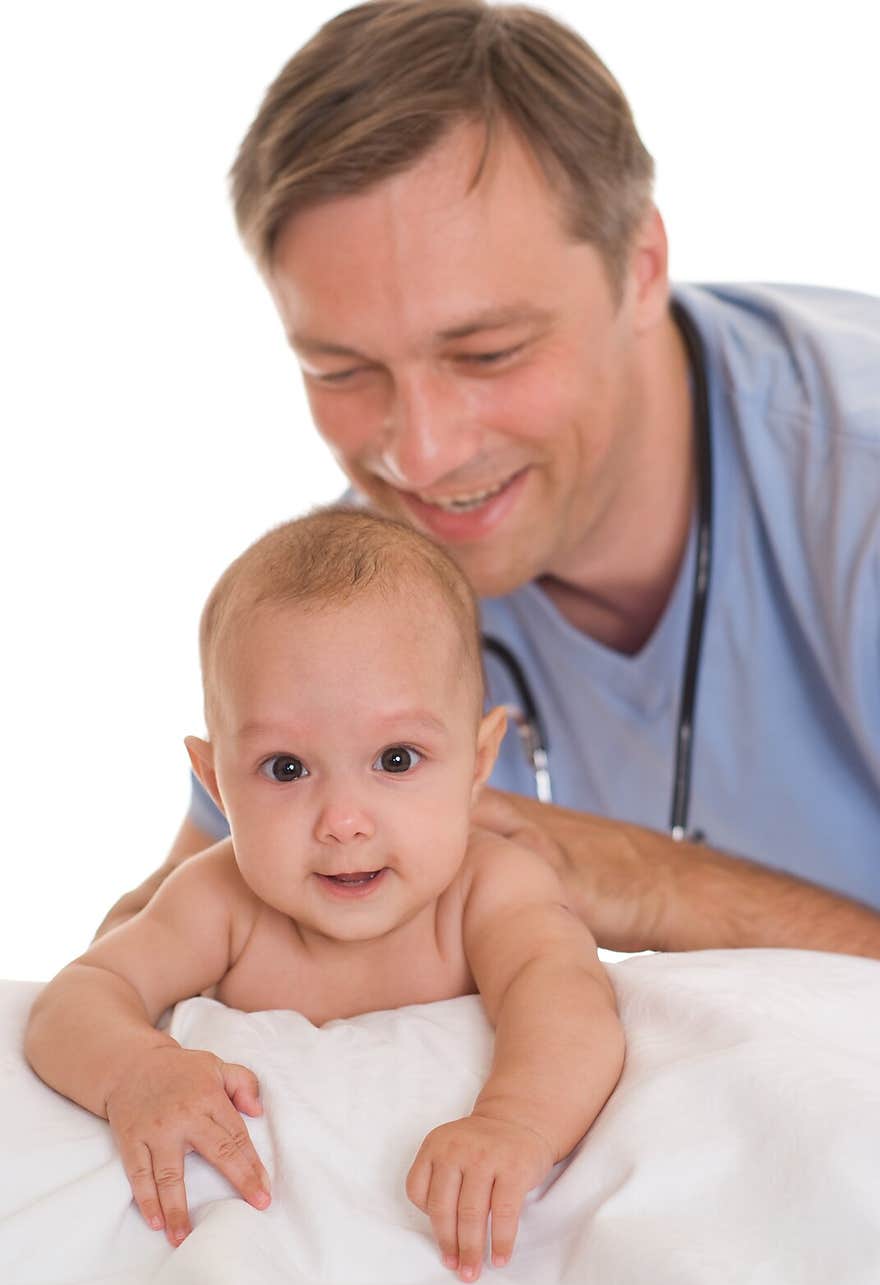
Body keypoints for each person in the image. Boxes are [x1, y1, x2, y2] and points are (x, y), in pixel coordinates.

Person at [99, 0, 880, 956]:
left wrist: (659, 886)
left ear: (640, 269)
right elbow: (152, 951)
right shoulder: (358, 597)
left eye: (488, 353)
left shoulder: (857, 485)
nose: (418, 458)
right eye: (342, 370)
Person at [26, 507, 625, 1282]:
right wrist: (138, 1069)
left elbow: (571, 1002)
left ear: (479, 762)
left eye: (397, 758)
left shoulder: (491, 889)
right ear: (216, 782)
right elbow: (76, 997)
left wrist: (514, 1121)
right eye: (285, 768)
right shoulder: (221, 900)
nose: (343, 821)